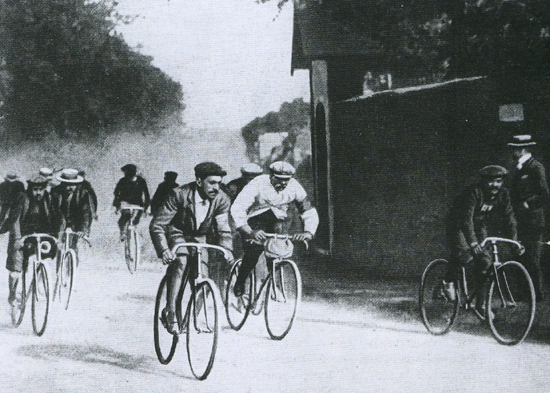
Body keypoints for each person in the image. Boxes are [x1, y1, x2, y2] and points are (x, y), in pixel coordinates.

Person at [150, 162, 233, 334]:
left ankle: (191, 318)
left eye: (219, 183)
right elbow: (158, 224)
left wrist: (227, 249)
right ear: (198, 181)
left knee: (204, 277)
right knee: (181, 261)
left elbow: (223, 227)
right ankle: (170, 312)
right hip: (177, 233)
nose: (216, 187)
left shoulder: (222, 199)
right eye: (212, 183)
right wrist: (165, 250)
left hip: (200, 237)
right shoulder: (178, 194)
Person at [230, 161, 319, 297]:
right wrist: (250, 231)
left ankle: (271, 282)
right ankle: (240, 281)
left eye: (286, 180)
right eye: (279, 179)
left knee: (278, 252)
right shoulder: (258, 182)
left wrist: (308, 232)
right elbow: (238, 208)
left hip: (278, 221)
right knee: (254, 250)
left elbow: (308, 210)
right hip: (254, 221)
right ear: (271, 175)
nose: (284, 183)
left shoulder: (294, 186)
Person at [443, 165, 519, 302]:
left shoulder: (504, 194)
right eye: (491, 181)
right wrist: (472, 242)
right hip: (458, 224)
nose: (494, 185)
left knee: (486, 262)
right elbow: (466, 220)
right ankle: (448, 281)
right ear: (483, 181)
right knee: (465, 254)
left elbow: (510, 218)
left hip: (478, 225)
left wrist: (515, 241)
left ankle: (481, 304)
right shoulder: (473, 192)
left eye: (498, 181)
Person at [508, 135, 550, 301]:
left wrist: (528, 204)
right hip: (520, 220)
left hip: (533, 220)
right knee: (520, 255)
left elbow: (544, 194)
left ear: (522, 149)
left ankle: (536, 294)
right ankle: (524, 293)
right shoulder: (518, 168)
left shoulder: (535, 167)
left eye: (514, 148)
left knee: (532, 258)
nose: (512, 151)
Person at [5, 176, 58, 307]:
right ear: (30, 189)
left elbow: (57, 217)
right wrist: (17, 240)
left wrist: (57, 236)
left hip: (41, 234)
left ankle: (39, 284)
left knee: (47, 258)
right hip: (22, 235)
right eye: (35, 189)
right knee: (16, 267)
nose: (38, 193)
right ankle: (12, 294)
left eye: (41, 189)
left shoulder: (49, 199)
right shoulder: (23, 198)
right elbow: (15, 220)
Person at [51, 169, 93, 255]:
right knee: (59, 247)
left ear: (77, 184)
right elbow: (52, 212)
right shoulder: (55, 192)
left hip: (75, 221)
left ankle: (73, 264)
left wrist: (83, 230)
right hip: (59, 221)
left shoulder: (82, 193)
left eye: (72, 185)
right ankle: (60, 266)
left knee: (74, 246)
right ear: (62, 183)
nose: (68, 188)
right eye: (66, 184)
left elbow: (85, 213)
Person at [113, 164, 150, 242]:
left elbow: (146, 194)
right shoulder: (123, 181)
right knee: (124, 218)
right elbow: (116, 193)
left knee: (134, 220)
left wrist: (146, 207)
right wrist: (117, 205)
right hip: (126, 203)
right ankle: (123, 233)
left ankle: (131, 232)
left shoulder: (140, 181)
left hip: (137, 204)